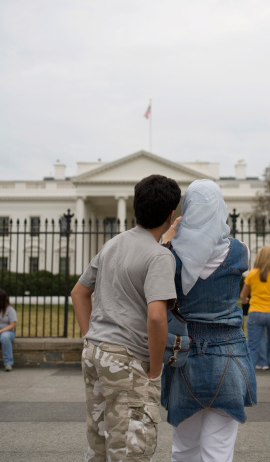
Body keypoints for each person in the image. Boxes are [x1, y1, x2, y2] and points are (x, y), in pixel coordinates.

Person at [71, 174, 181, 462]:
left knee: (100, 442)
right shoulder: (159, 257)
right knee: (132, 447)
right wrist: (155, 373)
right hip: (128, 359)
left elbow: (79, 293)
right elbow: (157, 318)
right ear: (171, 215)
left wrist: (89, 336)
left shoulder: (114, 244)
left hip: (95, 351)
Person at [161, 179, 257, 462]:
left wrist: (167, 238)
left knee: (183, 450)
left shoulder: (170, 253)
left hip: (183, 354)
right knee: (219, 453)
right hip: (229, 353)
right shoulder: (241, 251)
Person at [240, 246, 270, 390]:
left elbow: (243, 295)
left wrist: (245, 300)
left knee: (252, 348)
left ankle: (248, 384)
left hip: (255, 313)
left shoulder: (252, 274)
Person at [0, 288, 17, 372]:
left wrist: (1, 331)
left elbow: (12, 325)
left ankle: (8, 363)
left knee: (4, 338)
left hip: (7, 331)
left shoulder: (10, 310)